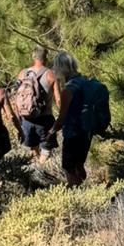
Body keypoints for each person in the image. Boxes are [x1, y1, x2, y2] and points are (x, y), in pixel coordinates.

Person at [48, 50, 92, 187]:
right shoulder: (85, 81)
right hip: (87, 131)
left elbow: (62, 118)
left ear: (61, 69)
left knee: (68, 167)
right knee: (79, 164)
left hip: (73, 133)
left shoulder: (68, 90)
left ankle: (78, 195)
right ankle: (89, 191)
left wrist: (51, 132)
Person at [12, 44, 55, 161]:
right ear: (46, 58)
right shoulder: (50, 74)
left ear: (33, 57)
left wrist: (19, 118)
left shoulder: (22, 73)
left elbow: (16, 97)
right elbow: (59, 99)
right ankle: (42, 169)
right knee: (45, 151)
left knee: (33, 148)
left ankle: (37, 169)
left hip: (26, 119)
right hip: (45, 119)